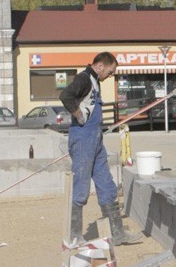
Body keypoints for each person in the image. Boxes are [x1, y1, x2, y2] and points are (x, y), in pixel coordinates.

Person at [60, 51, 142, 246]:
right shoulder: (84, 78)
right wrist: (78, 115)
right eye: (110, 72)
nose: (110, 76)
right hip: (83, 139)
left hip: (95, 140)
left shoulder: (95, 81)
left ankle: (117, 233)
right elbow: (66, 96)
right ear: (100, 66)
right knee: (81, 187)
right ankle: (74, 236)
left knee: (106, 184)